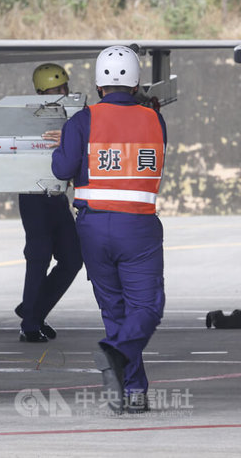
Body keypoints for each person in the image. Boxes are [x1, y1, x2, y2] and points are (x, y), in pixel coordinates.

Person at [52, 45, 166, 414]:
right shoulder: (156, 120)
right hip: (139, 225)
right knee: (146, 306)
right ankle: (122, 364)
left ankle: (131, 389)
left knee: (114, 309)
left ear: (99, 84)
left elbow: (61, 169)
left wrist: (63, 145)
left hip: (94, 227)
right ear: (135, 84)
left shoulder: (81, 121)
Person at [15, 64, 83, 342]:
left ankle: (33, 310)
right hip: (33, 197)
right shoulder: (29, 119)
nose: (63, 93)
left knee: (73, 258)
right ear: (42, 93)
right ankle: (30, 324)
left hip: (57, 198)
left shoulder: (73, 118)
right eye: (56, 90)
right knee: (39, 256)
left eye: (65, 88)